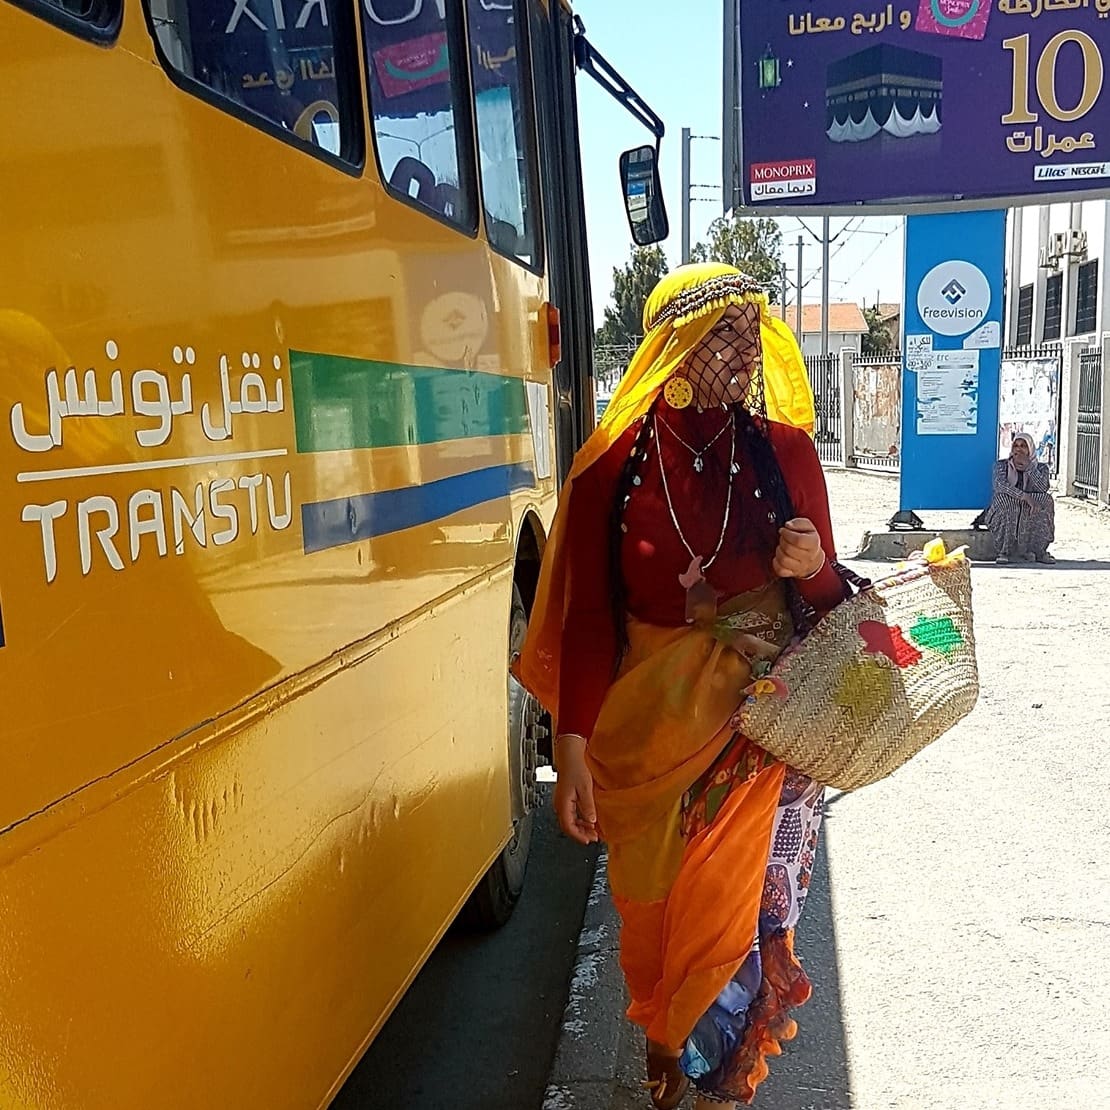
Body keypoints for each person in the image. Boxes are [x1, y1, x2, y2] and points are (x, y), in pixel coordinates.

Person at [516, 264, 848, 1109]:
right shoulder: (611, 467)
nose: (745, 351)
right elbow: (591, 618)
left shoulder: (784, 453)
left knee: (730, 943)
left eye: (751, 332)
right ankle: (671, 1074)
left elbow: (831, 604)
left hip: (757, 737)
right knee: (657, 942)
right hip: (644, 744)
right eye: (724, 332)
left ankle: (714, 1097)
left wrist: (812, 567)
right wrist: (570, 748)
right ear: (672, 344)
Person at [986, 433, 1055, 564]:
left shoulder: (1041, 468)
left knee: (1045, 500)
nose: (1019, 449)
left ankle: (1038, 551)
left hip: (1028, 509)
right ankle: (1004, 551)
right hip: (1007, 507)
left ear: (1030, 448)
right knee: (1006, 500)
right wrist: (1024, 497)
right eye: (1016, 446)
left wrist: (1029, 467)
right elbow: (1000, 485)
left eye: (1023, 446)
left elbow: (1042, 488)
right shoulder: (1002, 465)